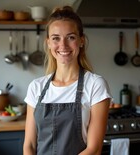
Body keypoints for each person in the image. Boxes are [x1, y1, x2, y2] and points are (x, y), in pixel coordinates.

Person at [23, 5, 112, 155]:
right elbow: (29, 145)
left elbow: (94, 149)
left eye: (70, 37)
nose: (63, 45)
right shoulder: (36, 87)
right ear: (48, 43)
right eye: (56, 38)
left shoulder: (95, 85)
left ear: (81, 41)